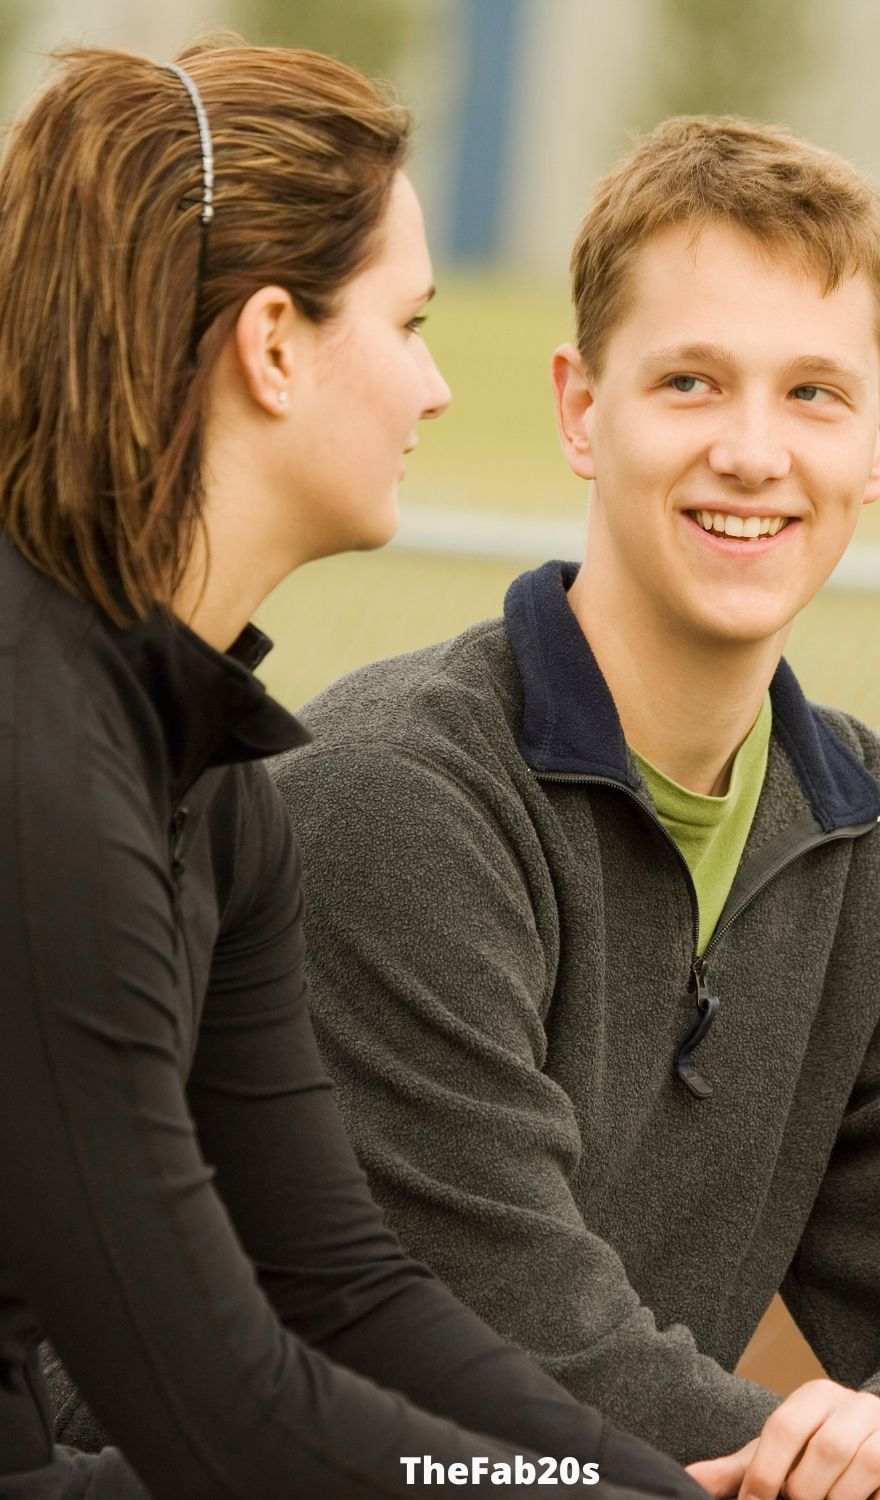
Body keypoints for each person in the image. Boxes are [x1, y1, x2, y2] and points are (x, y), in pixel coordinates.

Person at [0, 40, 712, 1500]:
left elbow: (343, 1287)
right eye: (410, 321)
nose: (437, 387)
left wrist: (649, 1483)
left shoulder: (213, 781)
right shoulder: (39, 768)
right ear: (274, 343)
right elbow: (224, 1421)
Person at [272, 117, 880, 1500]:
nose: (751, 451)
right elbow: (497, 1327)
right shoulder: (388, 798)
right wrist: (814, 1471)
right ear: (579, 408)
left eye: (813, 395)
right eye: (689, 381)